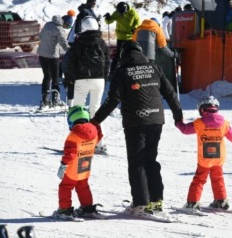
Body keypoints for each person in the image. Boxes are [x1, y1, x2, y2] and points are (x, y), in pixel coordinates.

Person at [91, 40, 183, 215]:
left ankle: (141, 204)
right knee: (151, 159)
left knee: (137, 163)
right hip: (156, 120)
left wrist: (95, 121)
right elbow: (171, 93)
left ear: (123, 56)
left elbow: (113, 100)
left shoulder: (122, 72)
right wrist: (178, 117)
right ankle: (156, 201)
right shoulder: (155, 68)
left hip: (136, 122)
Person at [175, 96, 232, 211]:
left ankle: (192, 203)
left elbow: (185, 130)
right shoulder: (224, 123)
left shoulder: (199, 123)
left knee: (199, 179)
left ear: (202, 110)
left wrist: (178, 122)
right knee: (218, 178)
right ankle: (221, 201)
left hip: (205, 158)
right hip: (218, 158)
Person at [64, 16, 110, 155]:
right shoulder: (101, 43)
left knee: (78, 111)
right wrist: (105, 77)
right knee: (95, 112)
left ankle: (79, 142)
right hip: (99, 80)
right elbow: (108, 61)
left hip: (81, 80)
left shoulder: (78, 43)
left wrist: (70, 80)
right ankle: (99, 144)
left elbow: (68, 63)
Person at [54, 105, 103, 219]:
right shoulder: (94, 131)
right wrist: (94, 125)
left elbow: (70, 153)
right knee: (83, 186)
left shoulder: (73, 135)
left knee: (65, 187)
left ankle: (64, 210)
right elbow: (99, 136)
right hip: (85, 167)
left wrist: (63, 165)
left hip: (73, 169)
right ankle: (87, 208)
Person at [36, 15, 72, 110]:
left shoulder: (48, 24)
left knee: (47, 77)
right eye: (68, 26)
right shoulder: (60, 29)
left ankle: (45, 100)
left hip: (42, 55)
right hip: (52, 57)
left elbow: (40, 36)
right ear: (65, 23)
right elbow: (63, 43)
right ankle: (56, 100)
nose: (67, 28)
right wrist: (71, 50)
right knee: (55, 78)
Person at [104, 1, 141, 76]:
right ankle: (112, 72)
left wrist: (135, 28)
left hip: (130, 36)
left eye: (122, 13)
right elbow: (109, 22)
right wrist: (107, 18)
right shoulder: (117, 12)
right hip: (120, 36)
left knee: (130, 54)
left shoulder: (133, 12)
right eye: (119, 12)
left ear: (126, 9)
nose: (120, 14)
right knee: (118, 55)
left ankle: (130, 72)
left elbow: (138, 21)